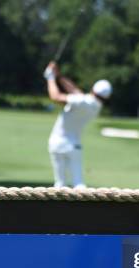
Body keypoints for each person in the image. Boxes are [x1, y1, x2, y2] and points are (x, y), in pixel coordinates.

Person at [43, 61, 112, 189]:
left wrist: (50, 78)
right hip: (74, 146)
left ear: (93, 89)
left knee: (60, 185)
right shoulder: (95, 107)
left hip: (56, 143)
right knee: (78, 184)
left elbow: (56, 96)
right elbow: (75, 91)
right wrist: (59, 76)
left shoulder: (82, 100)